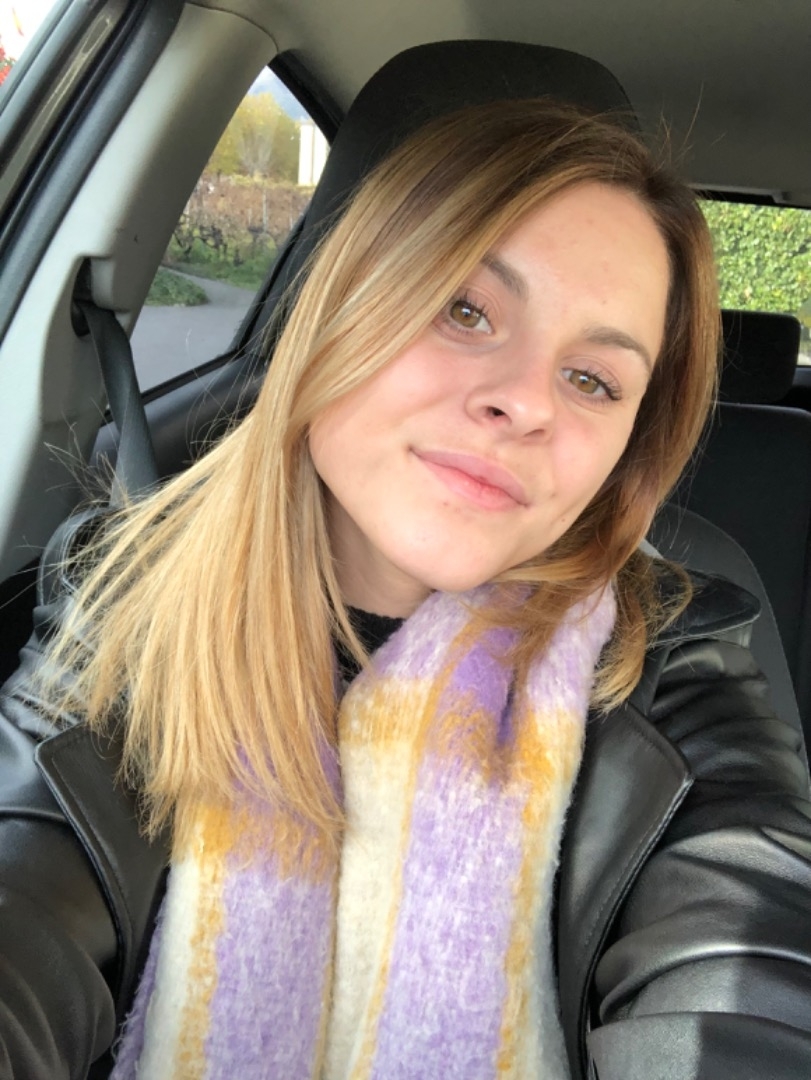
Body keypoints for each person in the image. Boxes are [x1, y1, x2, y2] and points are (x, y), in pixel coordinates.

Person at [1, 98, 810, 1080]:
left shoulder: (671, 668)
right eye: (464, 310)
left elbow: (749, 955)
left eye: (593, 380)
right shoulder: (124, 595)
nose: (525, 402)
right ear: (343, 303)